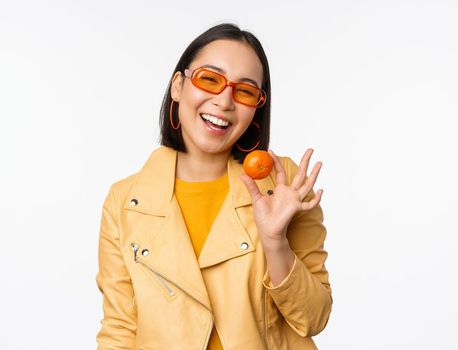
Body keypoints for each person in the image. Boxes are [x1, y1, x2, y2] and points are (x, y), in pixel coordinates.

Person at [95, 23, 332, 350]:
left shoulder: (283, 185)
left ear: (256, 109)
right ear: (178, 86)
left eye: (245, 91)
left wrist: (275, 243)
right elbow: (119, 329)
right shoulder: (125, 202)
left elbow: (313, 317)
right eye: (210, 79)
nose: (224, 101)